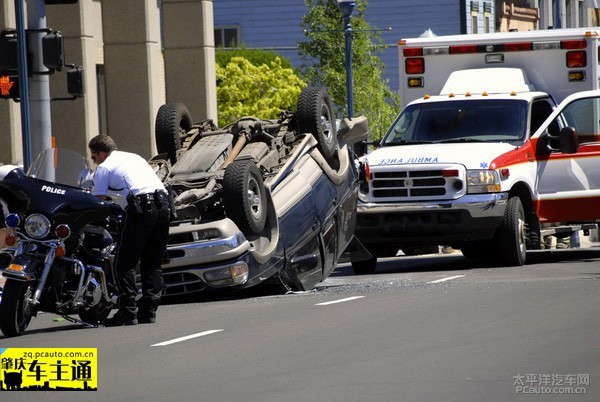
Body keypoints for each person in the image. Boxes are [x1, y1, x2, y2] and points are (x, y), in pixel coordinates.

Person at [88, 135, 170, 326]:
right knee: (152, 262)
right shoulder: (135, 157)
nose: (94, 161)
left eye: (94, 157)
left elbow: (96, 201)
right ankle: (148, 312)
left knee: (124, 263)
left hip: (142, 209)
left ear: (101, 153)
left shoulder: (104, 167)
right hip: (164, 206)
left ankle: (128, 312)